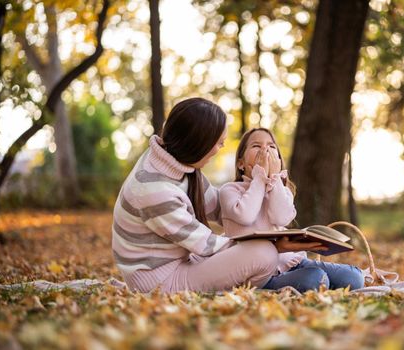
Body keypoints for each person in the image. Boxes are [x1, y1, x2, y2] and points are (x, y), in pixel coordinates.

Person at [112, 98, 319, 293]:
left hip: (183, 261)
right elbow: (206, 245)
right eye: (218, 142)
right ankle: (271, 283)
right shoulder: (154, 190)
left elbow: (220, 209)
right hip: (159, 281)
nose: (220, 149)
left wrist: (265, 199)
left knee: (264, 250)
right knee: (264, 254)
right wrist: (275, 245)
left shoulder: (177, 164)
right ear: (197, 143)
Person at [219, 128, 364, 293]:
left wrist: (274, 179)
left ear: (279, 160)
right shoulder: (230, 190)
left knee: (354, 278)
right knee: (315, 278)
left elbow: (282, 218)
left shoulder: (280, 189)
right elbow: (246, 216)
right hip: (260, 271)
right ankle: (313, 282)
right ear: (241, 163)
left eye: (271, 147)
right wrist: (259, 177)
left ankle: (318, 281)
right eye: (256, 146)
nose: (265, 150)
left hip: (291, 260)